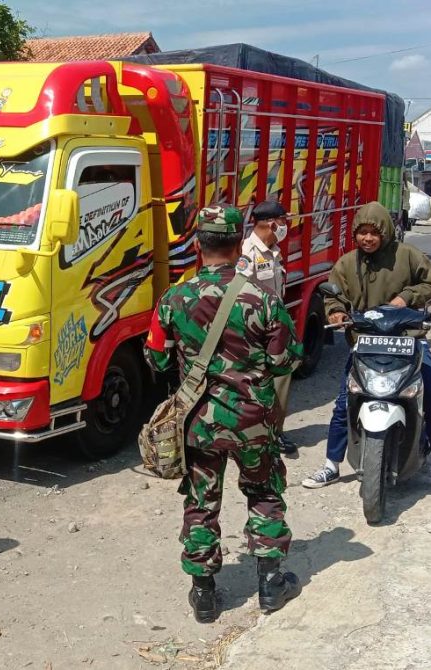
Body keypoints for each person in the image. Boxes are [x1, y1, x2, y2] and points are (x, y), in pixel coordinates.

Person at [144, 205, 303, 623]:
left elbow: (156, 360)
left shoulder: (174, 298)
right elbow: (286, 360)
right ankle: (270, 586)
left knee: (201, 501)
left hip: (198, 422)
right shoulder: (263, 299)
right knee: (264, 493)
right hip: (253, 422)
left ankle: (204, 595)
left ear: (198, 245)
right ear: (237, 246)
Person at [301, 201, 431, 495]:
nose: (367, 238)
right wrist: (336, 314)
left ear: (385, 232)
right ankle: (331, 464)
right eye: (361, 232)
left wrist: (407, 297)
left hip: (410, 340)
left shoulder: (407, 255)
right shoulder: (347, 263)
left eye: (373, 233)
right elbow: (333, 294)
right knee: (343, 404)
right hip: (365, 343)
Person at [238, 200, 298, 455]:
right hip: (254, 331)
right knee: (254, 384)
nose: (286, 226)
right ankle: (256, 435)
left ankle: (274, 432)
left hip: (274, 327)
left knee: (280, 380)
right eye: (284, 221)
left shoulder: (273, 250)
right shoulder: (247, 253)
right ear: (272, 223)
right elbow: (239, 296)